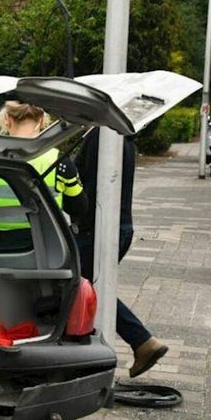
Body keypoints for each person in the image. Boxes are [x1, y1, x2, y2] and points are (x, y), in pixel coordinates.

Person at [74, 129, 168, 378]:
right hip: (115, 226)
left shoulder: (102, 136)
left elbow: (89, 189)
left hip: (99, 229)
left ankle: (140, 342)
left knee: (81, 287)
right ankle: (140, 343)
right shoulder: (119, 136)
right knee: (90, 287)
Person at [0, 101, 88, 249]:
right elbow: (78, 207)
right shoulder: (60, 162)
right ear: (41, 120)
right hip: (45, 251)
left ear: (7, 120)